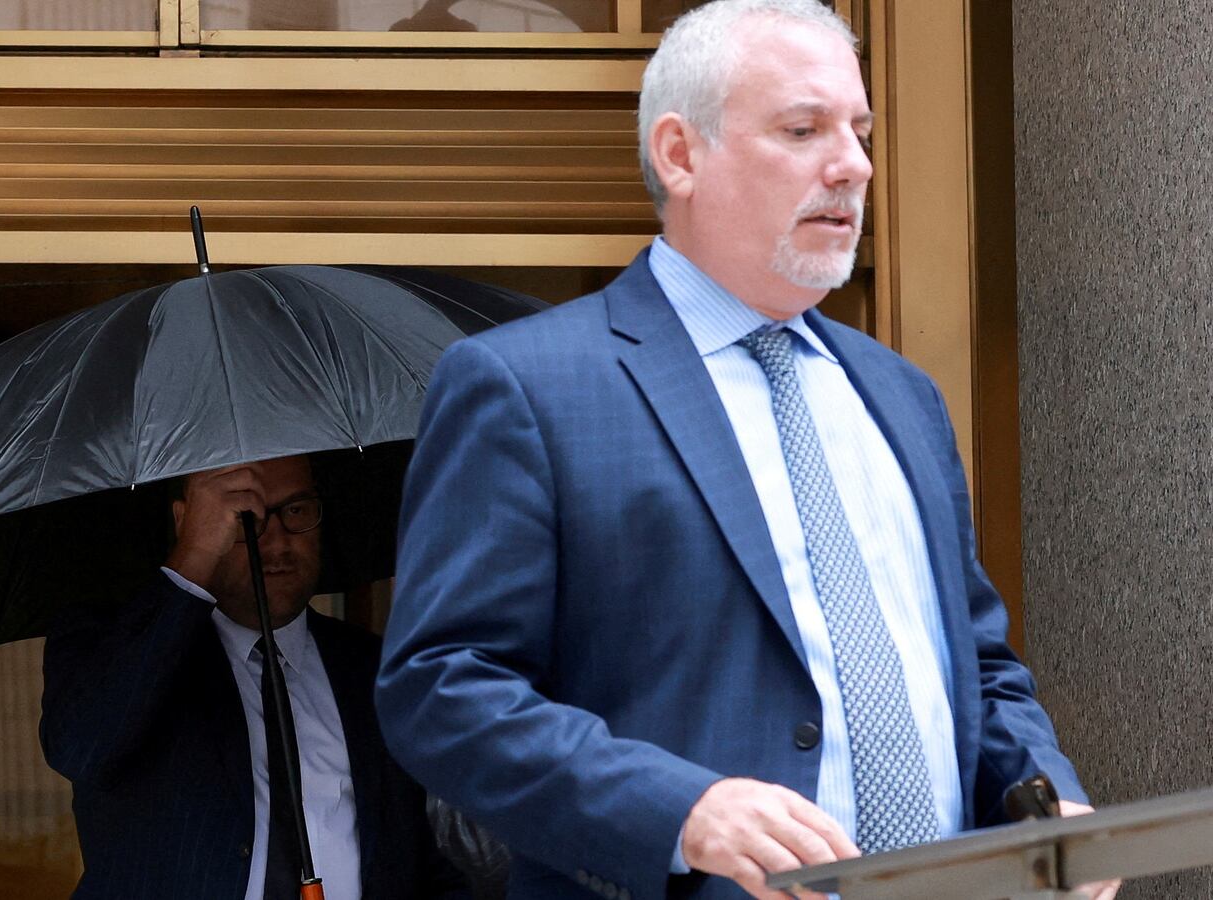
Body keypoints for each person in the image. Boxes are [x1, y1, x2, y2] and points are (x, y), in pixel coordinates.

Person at [375, 2, 1118, 899]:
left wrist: (1046, 804)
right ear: (680, 154)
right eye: (803, 130)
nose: (853, 166)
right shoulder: (525, 386)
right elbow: (443, 690)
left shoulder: (901, 396)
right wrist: (680, 813)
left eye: (861, 131)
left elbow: (979, 666)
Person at [41, 454, 467, 900]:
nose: (278, 543)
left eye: (297, 511)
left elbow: (440, 862)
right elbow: (82, 747)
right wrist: (194, 558)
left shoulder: (378, 671)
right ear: (187, 521)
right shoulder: (117, 645)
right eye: (249, 518)